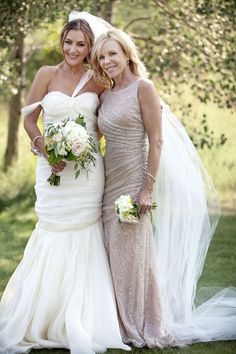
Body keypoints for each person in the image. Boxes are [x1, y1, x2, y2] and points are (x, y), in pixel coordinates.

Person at [91, 29, 236, 347]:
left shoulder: (145, 88)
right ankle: (117, 320)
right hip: (107, 183)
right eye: (102, 57)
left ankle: (139, 324)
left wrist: (147, 189)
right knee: (113, 257)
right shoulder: (106, 94)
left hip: (133, 180)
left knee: (130, 257)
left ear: (127, 53)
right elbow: (98, 138)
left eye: (112, 54)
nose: (107, 61)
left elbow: (156, 140)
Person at [0, 13, 130, 354]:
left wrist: (84, 145)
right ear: (62, 43)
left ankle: (85, 318)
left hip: (87, 175)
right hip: (50, 169)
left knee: (83, 233)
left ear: (90, 47)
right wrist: (46, 150)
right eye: (68, 42)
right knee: (51, 229)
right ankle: (40, 317)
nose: (73, 49)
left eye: (81, 44)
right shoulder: (46, 75)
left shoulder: (99, 80)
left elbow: (106, 119)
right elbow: (29, 119)